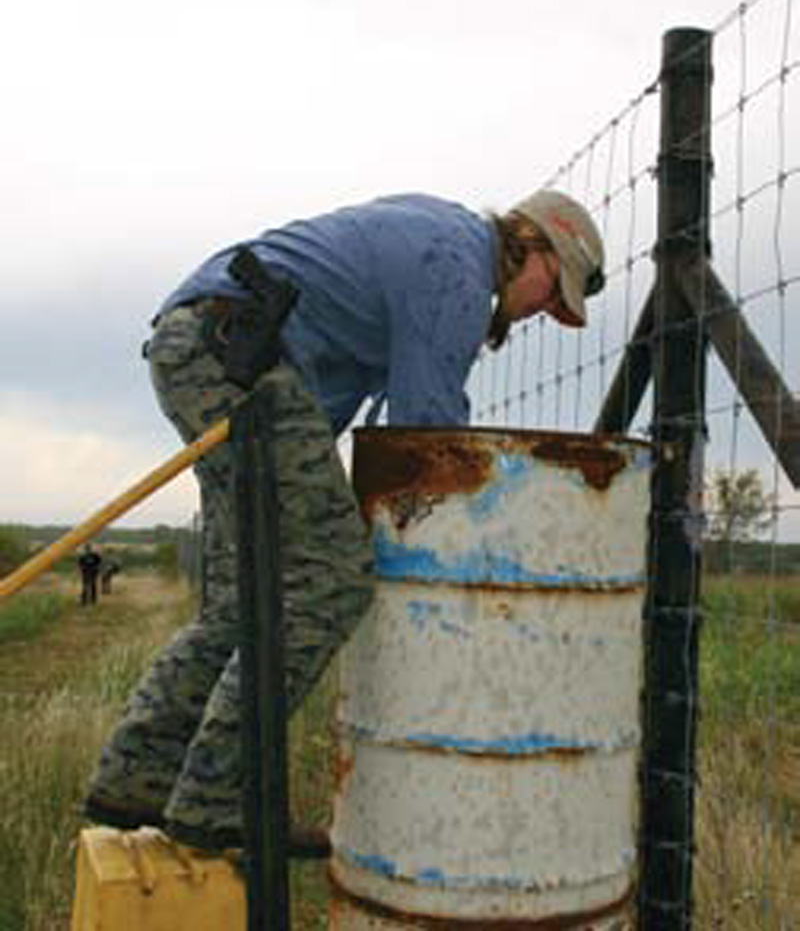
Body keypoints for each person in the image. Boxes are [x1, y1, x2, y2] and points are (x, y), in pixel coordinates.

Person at [84, 190, 605, 852]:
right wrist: (479, 536)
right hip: (236, 352)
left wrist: (322, 505)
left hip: (203, 343)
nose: (543, 311)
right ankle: (215, 799)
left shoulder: (435, 239)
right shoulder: (457, 271)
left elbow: (325, 414)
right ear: (533, 244)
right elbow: (426, 431)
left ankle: (134, 778)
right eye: (553, 292)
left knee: (246, 597)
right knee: (334, 579)